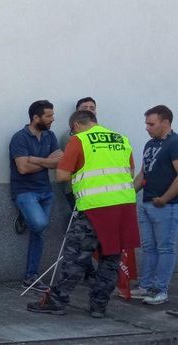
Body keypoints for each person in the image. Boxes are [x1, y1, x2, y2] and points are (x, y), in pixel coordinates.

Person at [27, 110, 139, 317]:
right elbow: (130, 173)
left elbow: (62, 175)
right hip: (124, 208)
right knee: (110, 259)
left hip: (94, 209)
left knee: (75, 258)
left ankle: (57, 301)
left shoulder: (79, 140)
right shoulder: (121, 139)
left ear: (76, 126)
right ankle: (99, 307)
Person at [9, 100, 63, 289]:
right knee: (40, 224)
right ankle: (26, 215)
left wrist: (35, 159)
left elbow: (60, 161)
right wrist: (47, 161)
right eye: (48, 116)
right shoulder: (20, 138)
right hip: (25, 192)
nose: (52, 119)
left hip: (45, 191)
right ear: (35, 118)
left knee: (38, 233)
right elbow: (22, 168)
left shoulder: (50, 136)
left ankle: (31, 277)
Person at [132, 105, 178, 305]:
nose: (147, 128)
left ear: (165, 122)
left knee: (165, 247)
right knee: (149, 247)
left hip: (165, 206)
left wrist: (165, 198)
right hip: (147, 201)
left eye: (151, 124)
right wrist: (129, 194)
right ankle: (145, 285)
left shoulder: (175, 143)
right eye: (146, 123)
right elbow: (142, 174)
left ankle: (160, 290)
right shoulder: (150, 144)